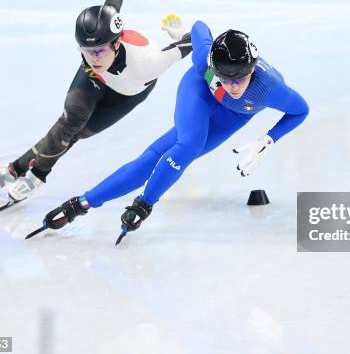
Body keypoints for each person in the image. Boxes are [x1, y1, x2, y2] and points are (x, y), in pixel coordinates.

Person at [33, 20, 309, 244]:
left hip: (234, 115)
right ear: (214, 67)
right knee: (189, 143)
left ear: (252, 71)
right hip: (200, 91)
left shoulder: (271, 89)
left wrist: (269, 138)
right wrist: (187, 36)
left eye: (240, 79)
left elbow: (300, 110)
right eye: (225, 78)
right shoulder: (204, 61)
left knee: (158, 158)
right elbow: (201, 27)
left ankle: (81, 204)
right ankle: (143, 205)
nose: (233, 85)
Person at [0, 0, 192, 208]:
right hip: (95, 79)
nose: (93, 57)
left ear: (116, 44)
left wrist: (183, 36)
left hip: (128, 92)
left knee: (77, 133)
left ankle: (19, 167)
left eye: (99, 50)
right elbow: (111, 6)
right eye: (85, 50)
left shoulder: (147, 64)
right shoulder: (93, 56)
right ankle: (34, 174)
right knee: (70, 121)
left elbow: (196, 43)